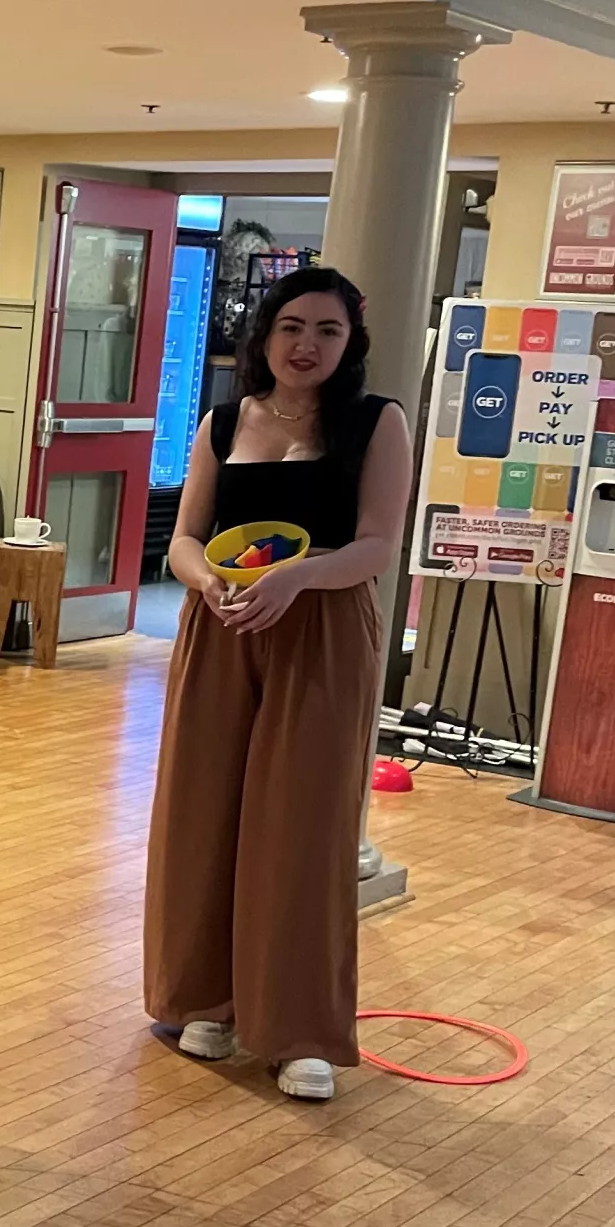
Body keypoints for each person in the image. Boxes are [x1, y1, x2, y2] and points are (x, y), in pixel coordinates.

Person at [144, 266, 412, 1103]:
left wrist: (300, 577)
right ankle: (206, 1000)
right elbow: (187, 537)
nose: (307, 345)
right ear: (264, 334)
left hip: (324, 630)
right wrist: (206, 583)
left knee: (301, 826)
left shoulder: (377, 422)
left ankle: (299, 1028)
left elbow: (376, 545)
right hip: (222, 628)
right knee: (204, 811)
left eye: (328, 331)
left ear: (350, 341)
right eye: (293, 326)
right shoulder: (228, 420)